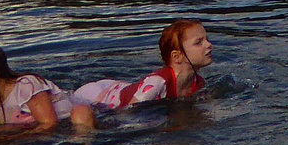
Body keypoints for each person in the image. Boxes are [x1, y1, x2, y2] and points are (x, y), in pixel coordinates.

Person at [0, 39, 92, 132]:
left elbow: (49, 123)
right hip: (54, 133)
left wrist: (14, 139)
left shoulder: (27, 86)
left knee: (81, 112)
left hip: (71, 119)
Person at [73, 20, 213, 113]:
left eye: (207, 39)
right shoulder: (158, 82)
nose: (208, 45)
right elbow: (129, 112)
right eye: (198, 42)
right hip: (97, 95)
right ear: (177, 57)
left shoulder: (198, 83)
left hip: (121, 88)